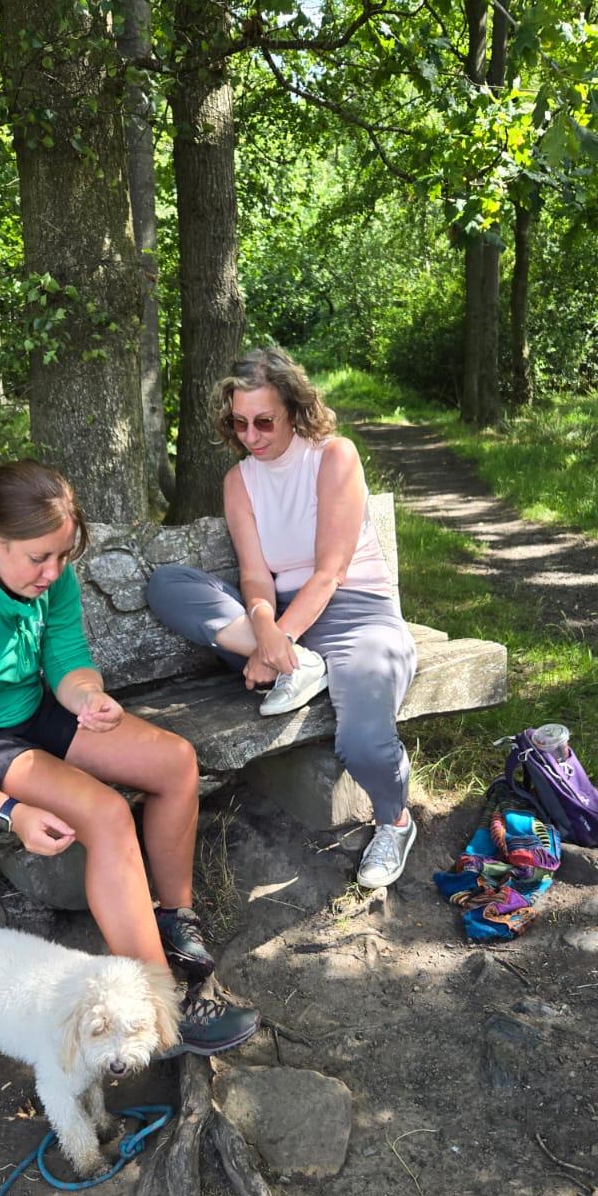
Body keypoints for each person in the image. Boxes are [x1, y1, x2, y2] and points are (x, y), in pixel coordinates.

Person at [0, 458, 259, 1056]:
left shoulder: (46, 568)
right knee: (108, 814)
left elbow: (66, 655)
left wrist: (88, 697)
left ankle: (174, 923)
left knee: (175, 762)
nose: (54, 572)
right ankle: (163, 1006)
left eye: (63, 556)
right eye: (40, 558)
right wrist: (10, 813)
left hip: (38, 708)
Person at [146, 347, 419, 889]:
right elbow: (254, 577)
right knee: (167, 584)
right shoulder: (239, 482)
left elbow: (330, 572)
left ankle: (396, 820)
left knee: (363, 743)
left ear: (293, 409)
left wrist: (276, 641)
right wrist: (267, 633)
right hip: (277, 629)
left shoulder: (334, 456)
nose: (251, 435)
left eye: (264, 421)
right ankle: (303, 666)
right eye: (239, 423)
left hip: (356, 619)